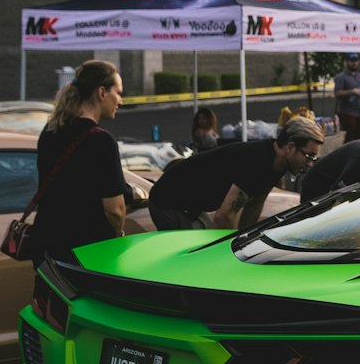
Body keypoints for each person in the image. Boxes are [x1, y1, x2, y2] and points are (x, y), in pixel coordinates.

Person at [149, 116, 326, 230]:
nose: (310, 164)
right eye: (308, 155)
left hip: (190, 204)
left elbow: (254, 207)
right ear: (290, 147)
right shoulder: (259, 162)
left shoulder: (277, 164)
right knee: (194, 259)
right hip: (168, 200)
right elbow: (224, 217)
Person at [31, 59, 127, 266]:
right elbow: (115, 209)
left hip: (47, 249)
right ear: (102, 92)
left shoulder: (50, 132)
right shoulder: (101, 141)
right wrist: (118, 235)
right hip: (86, 252)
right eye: (118, 93)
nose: (121, 101)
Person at [332, 53, 360, 142]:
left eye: (356, 61)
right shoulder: (341, 77)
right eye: (351, 61)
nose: (354, 63)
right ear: (346, 62)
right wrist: (352, 91)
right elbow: (337, 93)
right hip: (348, 113)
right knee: (349, 139)